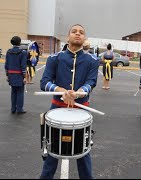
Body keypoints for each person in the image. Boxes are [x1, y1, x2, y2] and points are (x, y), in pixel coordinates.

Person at [40, 24, 99, 179]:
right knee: (52, 150)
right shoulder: (55, 58)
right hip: (56, 110)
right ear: (68, 36)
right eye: (74, 31)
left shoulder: (92, 60)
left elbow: (91, 82)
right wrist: (61, 91)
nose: (78, 34)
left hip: (81, 111)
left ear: (84, 38)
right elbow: (44, 82)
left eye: (81, 32)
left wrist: (79, 93)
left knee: (83, 151)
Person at [4, 36, 27, 114]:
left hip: (11, 75)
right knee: (20, 92)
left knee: (13, 92)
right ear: (19, 42)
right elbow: (23, 66)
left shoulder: (8, 52)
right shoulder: (23, 52)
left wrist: (7, 75)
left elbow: (6, 65)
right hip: (19, 75)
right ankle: (19, 109)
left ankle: (13, 108)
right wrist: (25, 77)